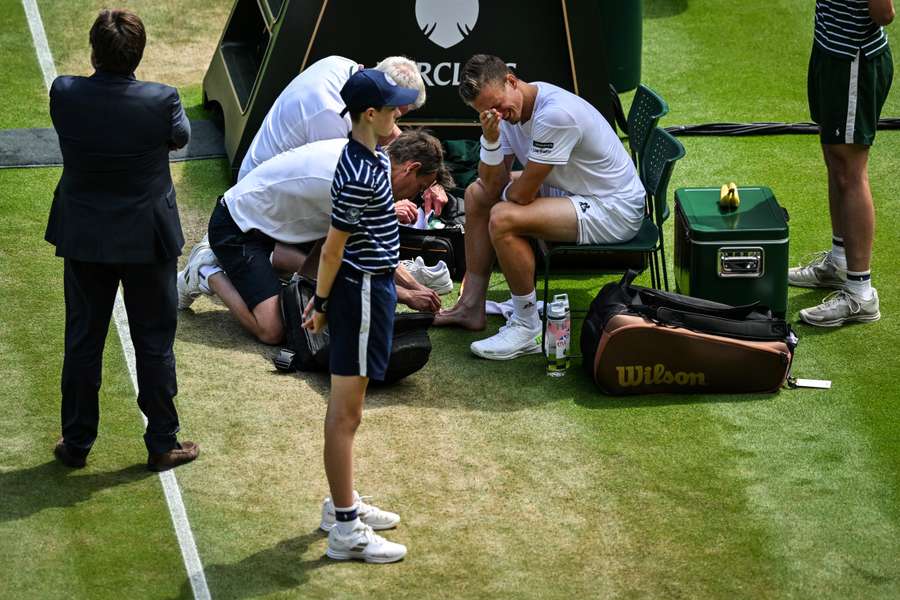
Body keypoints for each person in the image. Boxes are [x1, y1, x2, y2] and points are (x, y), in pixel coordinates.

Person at [45, 9, 198, 471]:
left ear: (94, 51)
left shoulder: (65, 92)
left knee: (83, 340)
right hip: (147, 240)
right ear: (140, 52)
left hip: (86, 236)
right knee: (154, 342)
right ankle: (162, 443)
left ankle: (76, 445)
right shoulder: (162, 100)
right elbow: (181, 138)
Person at [435, 54, 646, 360]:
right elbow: (490, 187)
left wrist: (501, 198)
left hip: (614, 207)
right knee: (475, 195)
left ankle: (526, 326)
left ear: (511, 80)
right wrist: (491, 140)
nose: (497, 115)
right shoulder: (506, 113)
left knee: (503, 217)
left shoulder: (555, 115)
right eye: (486, 112)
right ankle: (471, 306)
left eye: (497, 105)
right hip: (574, 189)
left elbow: (520, 196)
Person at [177, 130, 450, 344]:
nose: (415, 195)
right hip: (236, 229)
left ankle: (279, 264)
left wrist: (417, 287)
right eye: (421, 187)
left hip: (271, 225)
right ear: (410, 168)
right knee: (272, 330)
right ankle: (206, 270)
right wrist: (407, 296)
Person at [302, 69, 414, 563]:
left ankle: (339, 504)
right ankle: (345, 528)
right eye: (393, 109)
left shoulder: (372, 154)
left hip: (367, 288)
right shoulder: (362, 171)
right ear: (370, 114)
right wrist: (322, 304)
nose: (399, 114)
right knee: (346, 413)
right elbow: (331, 250)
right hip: (362, 291)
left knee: (348, 411)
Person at [237, 55, 448, 219]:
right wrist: (388, 210)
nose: (394, 123)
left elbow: (395, 143)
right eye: (395, 112)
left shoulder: (344, 66)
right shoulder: (331, 119)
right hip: (258, 196)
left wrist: (430, 180)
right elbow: (346, 200)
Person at [789, 0, 894, 327]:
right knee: (835, 160)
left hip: (854, 60)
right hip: (830, 50)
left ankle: (861, 294)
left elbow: (884, 13)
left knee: (850, 172)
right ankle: (839, 263)